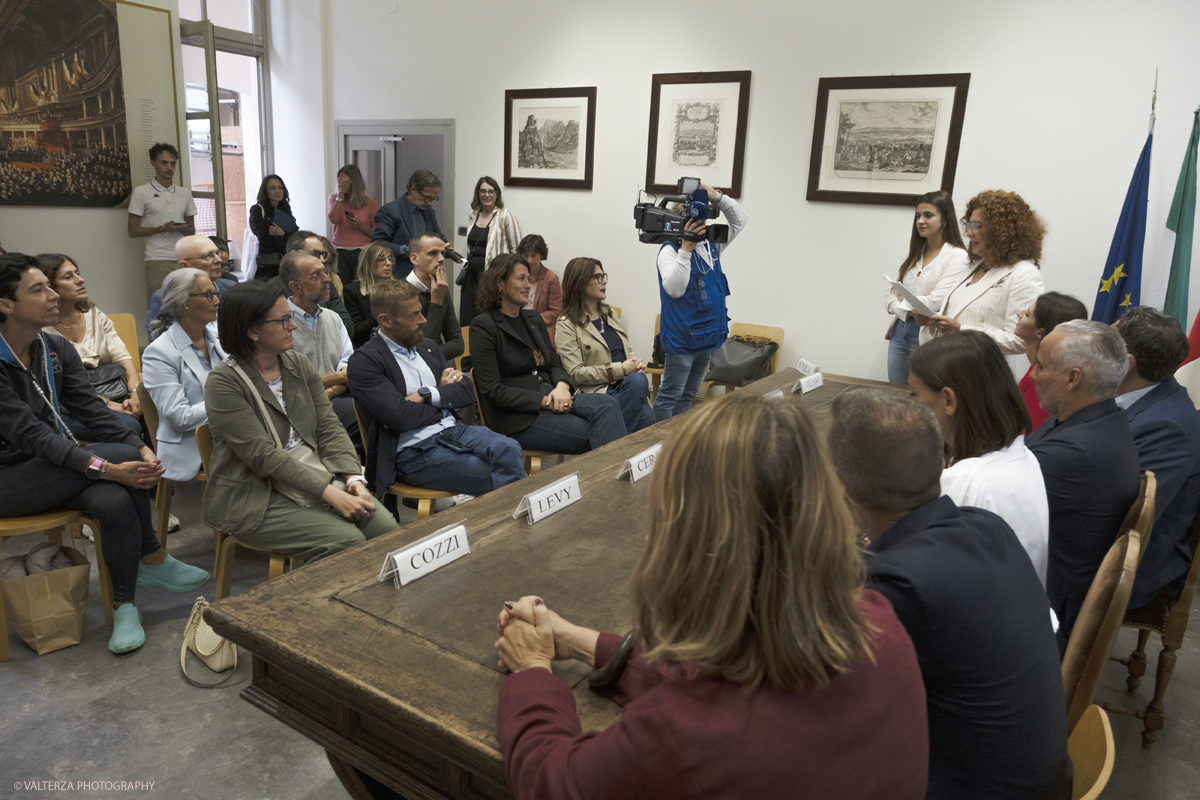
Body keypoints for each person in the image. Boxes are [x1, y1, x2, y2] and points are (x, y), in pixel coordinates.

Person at [494, 393, 929, 800]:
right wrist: (581, 643)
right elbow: (741, 671)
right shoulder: (880, 623)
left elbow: (554, 780)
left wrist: (532, 669)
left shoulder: (685, 735)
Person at [827, 388, 1070, 800]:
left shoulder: (895, 587)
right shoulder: (984, 526)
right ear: (940, 463)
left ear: (839, 485)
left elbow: (829, 707)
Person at [0, 253, 209, 655]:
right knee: (113, 471)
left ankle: (125, 604)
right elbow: (32, 437)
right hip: (9, 477)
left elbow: (91, 411)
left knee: (112, 497)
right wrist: (110, 467)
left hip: (47, 467)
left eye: (49, 285)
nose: (51, 296)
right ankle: (152, 555)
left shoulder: (55, 347)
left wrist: (143, 449)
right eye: (38, 289)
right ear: (6, 305)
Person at [202, 281, 397, 562]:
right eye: (283, 320)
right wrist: (329, 492)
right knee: (348, 541)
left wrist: (352, 478)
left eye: (289, 317)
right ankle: (321, 605)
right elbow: (263, 457)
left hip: (312, 474)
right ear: (252, 331)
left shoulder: (296, 364)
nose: (292, 326)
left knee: (387, 530)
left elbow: (328, 427)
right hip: (256, 494)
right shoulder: (224, 382)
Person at [348, 281, 525, 499]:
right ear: (386, 320)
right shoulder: (365, 361)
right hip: (413, 451)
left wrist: (427, 394)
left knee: (509, 448)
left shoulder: (427, 346)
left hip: (455, 431)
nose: (423, 320)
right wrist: (442, 399)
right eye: (413, 315)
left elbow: (468, 391)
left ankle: (508, 522)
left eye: (421, 312)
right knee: (491, 473)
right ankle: (512, 524)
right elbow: (400, 417)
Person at [1026, 319, 1141, 645]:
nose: (1033, 374)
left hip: (1043, 621)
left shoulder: (1074, 451)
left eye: (1041, 365)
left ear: (1072, 378)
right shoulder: (1101, 421)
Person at [908, 330, 1049, 584]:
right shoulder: (1023, 454)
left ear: (949, 400)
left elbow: (922, 572)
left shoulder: (966, 481)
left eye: (915, 394)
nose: (912, 406)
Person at [470, 253, 624, 454]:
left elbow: (554, 363)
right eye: (521, 279)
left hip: (554, 396)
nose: (527, 285)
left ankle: (610, 480)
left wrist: (561, 386)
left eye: (529, 279)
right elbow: (493, 391)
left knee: (608, 403)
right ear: (500, 283)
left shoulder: (533, 318)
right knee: (596, 431)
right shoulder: (483, 326)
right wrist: (544, 401)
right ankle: (613, 481)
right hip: (519, 417)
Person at [1113, 306, 1200, 611]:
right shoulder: (1135, 395)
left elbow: (1128, 517)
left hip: (1135, 566)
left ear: (1127, 364)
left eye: (1105, 343)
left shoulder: (1168, 427)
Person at [918, 189, 1046, 380]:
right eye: (968, 225)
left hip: (985, 377)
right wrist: (935, 321)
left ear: (1003, 231)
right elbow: (960, 313)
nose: (969, 233)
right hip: (949, 368)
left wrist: (960, 330)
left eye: (977, 226)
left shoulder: (1024, 274)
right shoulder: (974, 265)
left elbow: (1019, 341)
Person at [654, 182, 748, 421]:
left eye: (703, 216)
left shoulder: (712, 245)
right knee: (670, 395)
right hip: (682, 340)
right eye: (694, 218)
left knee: (688, 395)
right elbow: (675, 290)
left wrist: (717, 197)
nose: (701, 223)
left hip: (706, 337)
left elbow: (740, 220)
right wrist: (686, 247)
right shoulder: (669, 251)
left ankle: (679, 443)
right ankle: (660, 448)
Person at [36, 253, 142, 440]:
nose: (81, 280)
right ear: (49, 287)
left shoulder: (94, 314)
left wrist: (135, 396)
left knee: (155, 413)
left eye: (77, 273)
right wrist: (110, 405)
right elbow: (64, 391)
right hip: (72, 406)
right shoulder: (40, 330)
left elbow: (124, 359)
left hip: (117, 393)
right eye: (69, 277)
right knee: (131, 424)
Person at [142, 267, 227, 484]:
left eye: (216, 293)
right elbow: (180, 417)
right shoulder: (160, 352)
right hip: (192, 447)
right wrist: (231, 402)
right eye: (209, 295)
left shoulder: (219, 336)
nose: (216, 300)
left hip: (228, 433)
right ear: (183, 301)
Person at [556, 257, 654, 434]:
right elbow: (576, 374)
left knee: (643, 398)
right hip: (597, 392)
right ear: (580, 282)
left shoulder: (609, 313)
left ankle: (610, 450)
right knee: (645, 412)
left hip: (625, 386)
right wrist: (621, 369)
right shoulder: (567, 324)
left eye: (604, 275)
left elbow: (625, 348)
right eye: (598, 277)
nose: (605, 281)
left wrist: (635, 363)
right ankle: (614, 450)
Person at [884, 190, 970, 384]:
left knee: (924, 396)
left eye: (928, 215)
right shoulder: (917, 253)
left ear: (945, 219)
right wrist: (900, 306)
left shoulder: (957, 256)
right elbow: (891, 294)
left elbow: (933, 303)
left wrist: (898, 304)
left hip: (927, 332)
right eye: (918, 216)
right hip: (900, 329)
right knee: (896, 393)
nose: (920, 221)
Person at [278, 250, 358, 441]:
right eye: (316, 275)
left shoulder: (333, 318)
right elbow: (289, 382)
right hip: (300, 408)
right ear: (295, 286)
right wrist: (340, 377)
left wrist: (331, 391)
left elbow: (348, 362)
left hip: (337, 397)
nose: (326, 279)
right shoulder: (280, 324)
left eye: (325, 272)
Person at [126, 143, 196, 300]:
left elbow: (192, 230)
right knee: (159, 309)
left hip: (183, 259)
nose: (169, 168)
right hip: (156, 260)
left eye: (172, 163)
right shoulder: (141, 192)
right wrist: (162, 228)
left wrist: (183, 229)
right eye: (164, 163)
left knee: (184, 307)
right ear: (153, 163)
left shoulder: (184, 193)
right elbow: (132, 230)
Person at [1015, 292, 1089, 431]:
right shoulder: (1044, 370)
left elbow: (1033, 434)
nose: (1019, 313)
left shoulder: (1039, 378)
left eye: (1027, 315)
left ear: (1040, 333)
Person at [265, 230, 355, 335]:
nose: (322, 259)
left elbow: (347, 326)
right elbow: (276, 331)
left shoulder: (326, 283)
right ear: (294, 255)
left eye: (323, 254)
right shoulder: (273, 288)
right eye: (315, 253)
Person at [460, 177, 522, 327]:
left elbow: (517, 250)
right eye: (483, 191)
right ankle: (468, 348)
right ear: (478, 193)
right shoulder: (473, 214)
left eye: (490, 191)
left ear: (496, 194)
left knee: (486, 316)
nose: (486, 195)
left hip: (492, 277)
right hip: (471, 276)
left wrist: (507, 275)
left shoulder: (505, 215)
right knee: (467, 315)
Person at [146, 234, 236, 335]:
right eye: (208, 256)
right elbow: (158, 338)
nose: (219, 260)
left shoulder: (232, 289)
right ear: (185, 266)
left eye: (217, 253)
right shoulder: (165, 297)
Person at [371, 169, 446, 272]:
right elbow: (377, 243)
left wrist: (444, 245)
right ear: (413, 189)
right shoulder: (390, 211)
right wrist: (405, 250)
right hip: (400, 274)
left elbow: (437, 236)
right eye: (427, 197)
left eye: (433, 199)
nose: (430, 203)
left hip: (426, 274)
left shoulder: (429, 212)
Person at [406, 233, 463, 361]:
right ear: (414, 259)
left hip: (436, 366)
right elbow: (417, 348)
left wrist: (429, 353)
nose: (441, 259)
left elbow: (458, 344)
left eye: (443, 253)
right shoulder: (400, 291)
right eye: (433, 253)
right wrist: (436, 301)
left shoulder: (440, 289)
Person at [328, 164, 378, 286]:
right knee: (341, 286)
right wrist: (340, 195)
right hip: (340, 251)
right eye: (339, 180)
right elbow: (333, 219)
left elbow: (376, 234)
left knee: (361, 288)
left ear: (354, 182)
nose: (341, 184)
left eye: (345, 181)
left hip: (362, 251)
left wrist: (360, 226)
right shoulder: (334, 198)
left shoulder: (370, 203)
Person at [344, 242, 396, 349]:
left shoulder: (399, 288)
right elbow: (356, 332)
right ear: (368, 262)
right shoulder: (352, 291)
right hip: (368, 348)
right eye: (381, 259)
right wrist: (381, 313)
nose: (388, 263)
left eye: (390, 259)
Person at [248, 174, 299, 282]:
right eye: (272, 188)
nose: (278, 191)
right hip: (267, 267)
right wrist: (287, 244)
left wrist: (282, 234)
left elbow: (296, 237)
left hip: (286, 265)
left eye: (280, 188)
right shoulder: (257, 210)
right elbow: (264, 239)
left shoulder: (285, 211)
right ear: (265, 191)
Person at [515, 234, 562, 343]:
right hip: (516, 324)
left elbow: (555, 312)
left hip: (541, 329)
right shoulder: (515, 276)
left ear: (541, 255)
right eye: (526, 256)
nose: (530, 260)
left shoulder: (551, 278)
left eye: (534, 255)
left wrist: (531, 320)